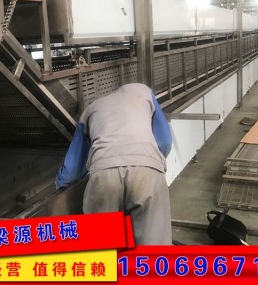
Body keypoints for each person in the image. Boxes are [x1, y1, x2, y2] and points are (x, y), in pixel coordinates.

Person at [56, 83, 173, 245]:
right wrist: (153, 162)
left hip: (104, 174)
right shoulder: (143, 92)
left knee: (101, 245)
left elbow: (72, 172)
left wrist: (60, 186)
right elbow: (165, 142)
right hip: (146, 169)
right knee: (153, 244)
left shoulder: (90, 110)